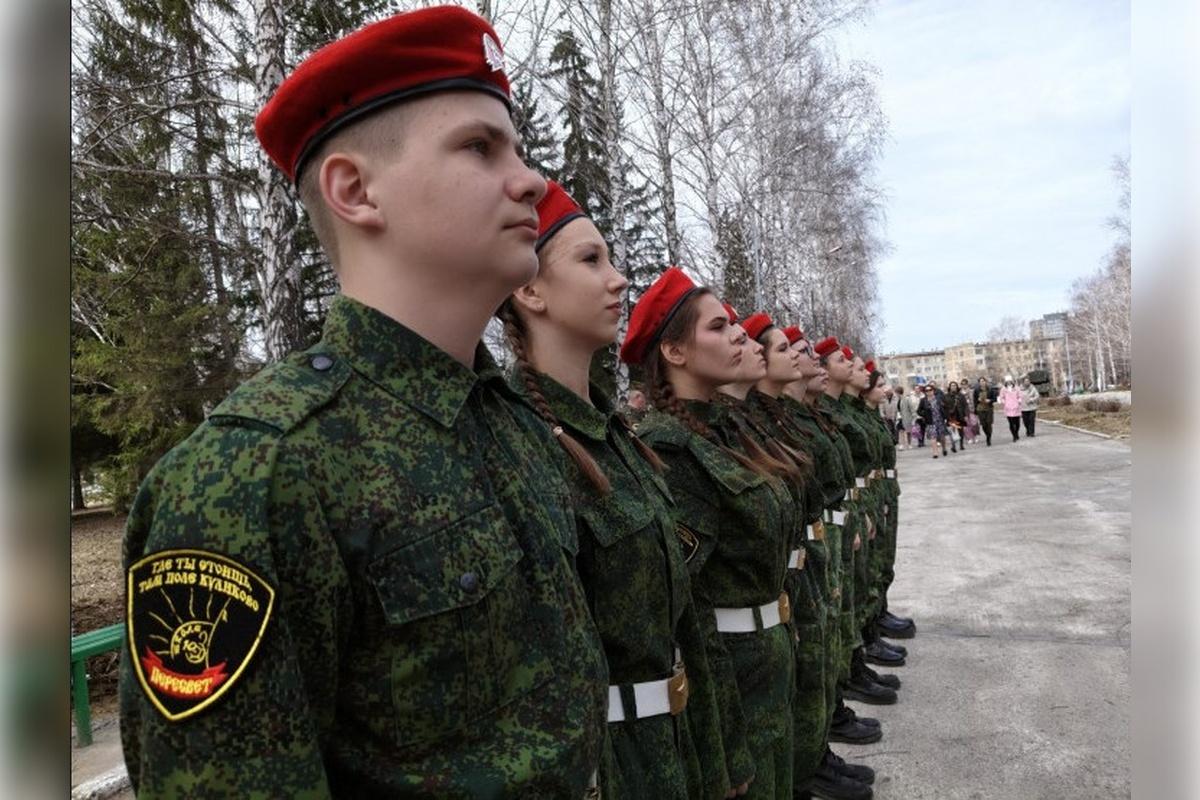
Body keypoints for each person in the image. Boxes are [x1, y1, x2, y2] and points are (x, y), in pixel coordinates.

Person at [118, 9, 610, 796]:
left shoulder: (511, 425)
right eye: (480, 147)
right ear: (355, 190)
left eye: (517, 147)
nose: (534, 180)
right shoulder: (257, 473)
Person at [499, 183, 735, 800]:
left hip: (669, 749)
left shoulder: (617, 437)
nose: (619, 279)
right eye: (590, 260)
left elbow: (684, 622)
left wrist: (716, 768)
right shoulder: (516, 438)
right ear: (529, 289)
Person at [622, 269, 798, 800]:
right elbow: (690, 612)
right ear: (675, 352)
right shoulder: (668, 447)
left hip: (766, 660)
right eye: (719, 327)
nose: (737, 335)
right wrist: (721, 748)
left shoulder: (723, 429)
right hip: (732, 678)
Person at [917, 384, 949, 457]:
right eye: (927, 391)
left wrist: (946, 417)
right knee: (933, 437)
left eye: (930, 390)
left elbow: (946, 407)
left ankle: (944, 448)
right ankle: (935, 452)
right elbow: (918, 411)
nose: (929, 392)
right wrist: (924, 414)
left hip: (940, 420)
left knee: (942, 437)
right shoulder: (923, 400)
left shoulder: (939, 398)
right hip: (930, 422)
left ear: (933, 391)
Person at [944, 381, 968, 453]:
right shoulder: (946, 396)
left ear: (957, 387)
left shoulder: (961, 395)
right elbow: (944, 406)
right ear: (950, 387)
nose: (953, 387)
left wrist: (966, 415)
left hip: (960, 415)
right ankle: (953, 446)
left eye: (954, 385)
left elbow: (965, 405)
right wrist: (946, 415)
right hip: (951, 416)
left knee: (961, 431)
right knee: (953, 431)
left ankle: (961, 445)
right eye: (952, 386)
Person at [999, 377, 1023, 442]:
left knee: (1017, 423)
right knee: (1011, 423)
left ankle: (1016, 432)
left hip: (1016, 407)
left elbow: (1020, 396)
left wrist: (1019, 401)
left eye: (1010, 381)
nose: (1009, 382)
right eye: (1008, 381)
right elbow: (1001, 397)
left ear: (1012, 381)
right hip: (1008, 408)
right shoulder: (1003, 389)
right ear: (1006, 382)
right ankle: (1014, 436)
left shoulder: (1016, 388)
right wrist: (1004, 402)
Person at [973, 378, 996, 446]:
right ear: (979, 383)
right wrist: (978, 400)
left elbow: (994, 398)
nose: (982, 382)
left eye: (983, 381)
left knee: (989, 423)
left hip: (989, 408)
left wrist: (990, 400)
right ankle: (987, 435)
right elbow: (974, 400)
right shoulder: (976, 390)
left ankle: (988, 438)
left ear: (985, 382)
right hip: (980, 409)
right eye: (980, 382)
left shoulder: (990, 389)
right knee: (983, 424)